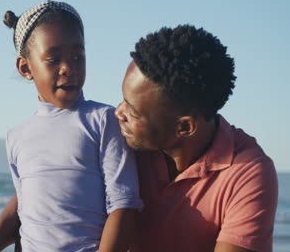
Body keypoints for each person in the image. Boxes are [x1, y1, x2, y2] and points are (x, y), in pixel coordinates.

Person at [0, 0, 143, 252]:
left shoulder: (102, 120)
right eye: (53, 59)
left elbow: (123, 204)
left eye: (78, 56)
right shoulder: (16, 137)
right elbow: (26, 205)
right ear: (25, 68)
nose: (69, 68)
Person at [115, 24, 278, 251]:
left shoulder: (247, 173)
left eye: (132, 112)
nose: (118, 113)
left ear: (184, 127)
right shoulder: (118, 141)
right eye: (122, 99)